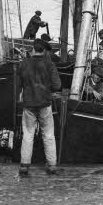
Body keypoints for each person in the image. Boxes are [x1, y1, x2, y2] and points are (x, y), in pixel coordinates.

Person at [17, 38, 61, 176]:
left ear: (33, 49)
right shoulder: (49, 65)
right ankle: (52, 165)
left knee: (28, 134)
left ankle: (24, 165)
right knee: (48, 135)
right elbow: (57, 86)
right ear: (44, 51)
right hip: (45, 104)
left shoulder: (24, 64)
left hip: (29, 104)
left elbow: (18, 85)